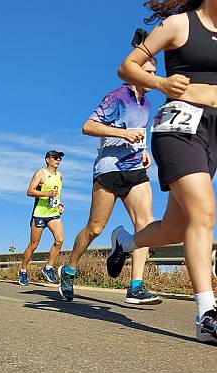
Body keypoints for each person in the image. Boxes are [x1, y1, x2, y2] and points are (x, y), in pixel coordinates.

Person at [107, 0, 217, 342]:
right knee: (204, 212)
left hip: (214, 132)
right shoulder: (179, 24)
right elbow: (128, 67)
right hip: (179, 126)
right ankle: (207, 314)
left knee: (174, 228)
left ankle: (125, 242)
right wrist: (161, 84)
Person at [58, 42, 162, 304]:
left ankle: (136, 286)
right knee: (95, 228)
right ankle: (69, 270)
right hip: (109, 169)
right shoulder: (117, 96)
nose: (154, 78)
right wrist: (123, 133)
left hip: (135, 168)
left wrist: (144, 149)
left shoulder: (147, 103)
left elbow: (140, 130)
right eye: (149, 73)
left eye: (155, 73)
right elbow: (88, 126)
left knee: (146, 223)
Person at [18, 150, 65, 286]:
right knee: (33, 245)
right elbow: (30, 191)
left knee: (59, 240)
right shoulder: (41, 173)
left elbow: (58, 194)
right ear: (47, 159)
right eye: (55, 157)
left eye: (60, 158)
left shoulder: (60, 176)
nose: (58, 160)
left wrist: (60, 204)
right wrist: (47, 193)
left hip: (53, 212)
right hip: (39, 213)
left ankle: (48, 268)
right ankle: (23, 271)